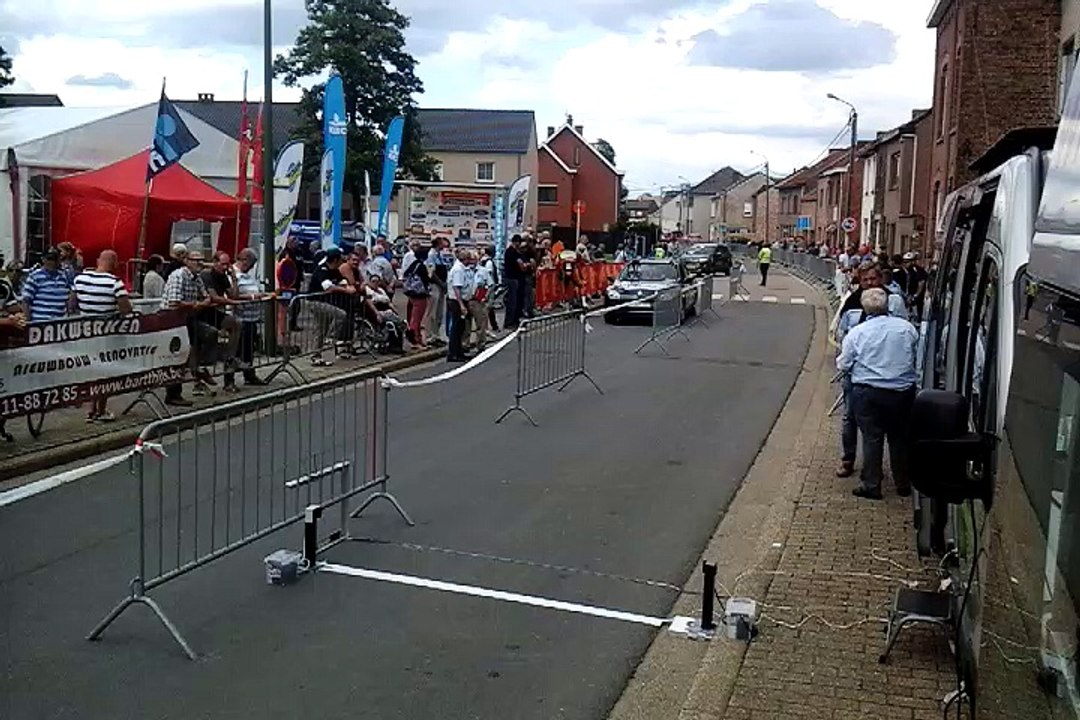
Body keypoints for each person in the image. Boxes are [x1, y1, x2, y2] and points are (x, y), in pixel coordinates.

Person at [837, 288, 918, 500]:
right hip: (901, 391)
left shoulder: (858, 332)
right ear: (887, 305)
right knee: (899, 437)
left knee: (872, 438)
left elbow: (843, 363)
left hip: (868, 392)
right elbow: (916, 355)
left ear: (865, 307)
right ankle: (903, 481)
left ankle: (872, 484)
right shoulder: (907, 329)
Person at [72, 250, 132, 421]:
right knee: (105, 372)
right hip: (107, 335)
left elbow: (71, 303)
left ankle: (91, 409)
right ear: (114, 262)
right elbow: (126, 309)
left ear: (98, 260)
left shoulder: (79, 279)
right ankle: (101, 410)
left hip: (86, 333)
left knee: (92, 371)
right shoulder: (114, 283)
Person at [162, 248, 216, 407]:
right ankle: (173, 393)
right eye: (195, 260)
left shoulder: (196, 277)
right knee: (177, 355)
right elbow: (174, 302)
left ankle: (199, 368)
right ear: (186, 261)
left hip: (188, 318)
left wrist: (202, 302)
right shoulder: (179, 276)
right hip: (172, 320)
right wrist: (197, 304)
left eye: (201, 260)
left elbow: (207, 297)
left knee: (211, 334)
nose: (199, 263)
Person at [199, 250, 245, 393]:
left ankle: (230, 362)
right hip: (202, 313)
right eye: (223, 264)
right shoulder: (207, 275)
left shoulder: (224, 276)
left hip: (216, 313)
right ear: (215, 263)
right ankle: (199, 376)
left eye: (228, 264)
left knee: (236, 323)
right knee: (201, 344)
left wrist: (234, 277)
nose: (226, 267)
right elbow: (214, 297)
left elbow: (234, 295)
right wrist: (231, 301)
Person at [306, 248, 356, 366]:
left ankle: (316, 356)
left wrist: (348, 286)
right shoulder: (322, 270)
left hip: (325, 302)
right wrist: (345, 290)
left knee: (320, 330)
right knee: (340, 314)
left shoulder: (334, 269)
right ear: (335, 260)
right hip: (315, 302)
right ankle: (331, 338)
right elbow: (328, 287)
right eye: (340, 260)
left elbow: (342, 280)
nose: (341, 263)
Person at [232, 248, 270, 387]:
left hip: (252, 318)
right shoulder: (233, 273)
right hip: (239, 318)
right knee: (235, 351)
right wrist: (253, 296)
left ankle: (249, 374)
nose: (253, 267)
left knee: (248, 349)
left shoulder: (247, 274)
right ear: (245, 260)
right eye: (252, 263)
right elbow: (232, 295)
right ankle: (229, 380)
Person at [21, 248, 71, 322]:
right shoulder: (35, 276)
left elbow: (67, 300)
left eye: (55, 259)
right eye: (49, 259)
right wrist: (28, 322)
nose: (52, 262)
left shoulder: (64, 277)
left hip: (60, 324)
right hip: (39, 323)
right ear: (43, 259)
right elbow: (26, 301)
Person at [447, 248, 474, 363]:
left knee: (461, 327)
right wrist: (462, 305)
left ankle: (459, 351)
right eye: (469, 259)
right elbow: (456, 288)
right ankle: (453, 353)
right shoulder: (458, 270)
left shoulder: (464, 269)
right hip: (457, 301)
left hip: (462, 300)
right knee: (456, 328)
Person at [402, 246, 432, 347]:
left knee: (415, 316)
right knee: (417, 318)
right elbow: (426, 280)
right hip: (420, 294)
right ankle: (414, 339)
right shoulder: (421, 266)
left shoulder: (413, 265)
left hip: (411, 293)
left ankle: (417, 338)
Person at [425, 238, 451, 345]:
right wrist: (440, 283)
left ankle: (437, 334)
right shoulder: (431, 255)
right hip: (435, 285)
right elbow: (431, 272)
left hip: (441, 286)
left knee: (440, 312)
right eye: (442, 243)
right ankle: (430, 335)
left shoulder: (439, 254)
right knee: (433, 311)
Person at [468, 248, 492, 352]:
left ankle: (481, 344)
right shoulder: (464, 270)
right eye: (470, 259)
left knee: (480, 324)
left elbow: (491, 285)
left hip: (478, 301)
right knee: (466, 324)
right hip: (467, 299)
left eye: (474, 259)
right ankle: (465, 345)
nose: (472, 261)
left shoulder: (483, 271)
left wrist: (486, 296)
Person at [503, 235, 527, 330]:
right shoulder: (512, 252)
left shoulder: (512, 252)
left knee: (515, 301)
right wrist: (525, 265)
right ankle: (509, 322)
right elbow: (522, 265)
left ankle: (513, 321)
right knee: (512, 302)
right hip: (512, 279)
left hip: (513, 278)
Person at [903, 252, 928, 322]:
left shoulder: (918, 270)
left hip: (917, 297)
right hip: (909, 295)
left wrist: (916, 295)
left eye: (907, 262)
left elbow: (921, 283)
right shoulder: (906, 271)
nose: (905, 264)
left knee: (917, 311)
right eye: (904, 262)